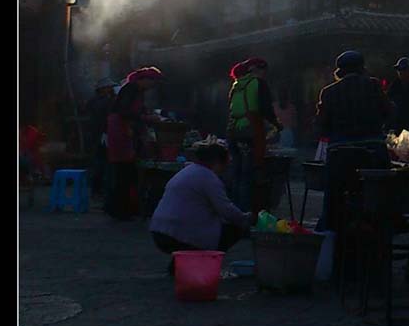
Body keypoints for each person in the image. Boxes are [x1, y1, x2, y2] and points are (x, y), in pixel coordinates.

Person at [315, 50, 393, 231]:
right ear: (362, 68)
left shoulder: (328, 92)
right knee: (384, 193)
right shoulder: (373, 85)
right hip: (373, 154)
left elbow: (320, 126)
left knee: (332, 197)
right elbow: (389, 112)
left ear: (339, 71)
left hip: (339, 155)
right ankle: (389, 222)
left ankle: (328, 227)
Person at [150, 141, 253, 275]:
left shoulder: (188, 171)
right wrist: (244, 218)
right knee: (234, 230)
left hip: (160, 230)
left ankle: (181, 264)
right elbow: (226, 210)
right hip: (177, 234)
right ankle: (199, 262)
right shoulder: (208, 178)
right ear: (217, 162)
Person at [105, 67, 163, 220]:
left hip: (127, 132)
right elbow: (125, 111)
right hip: (121, 131)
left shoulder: (138, 92)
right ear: (144, 79)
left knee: (127, 172)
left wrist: (146, 114)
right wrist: (146, 118)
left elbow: (138, 110)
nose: (152, 86)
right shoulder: (130, 89)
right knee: (123, 171)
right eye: (152, 82)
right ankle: (118, 210)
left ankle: (126, 208)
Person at [226, 57, 281, 212]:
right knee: (247, 177)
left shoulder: (237, 84)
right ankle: (245, 215)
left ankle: (231, 212)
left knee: (235, 175)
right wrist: (277, 124)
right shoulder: (258, 84)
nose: (265, 74)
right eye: (264, 70)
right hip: (250, 133)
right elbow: (266, 109)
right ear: (257, 69)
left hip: (233, 133)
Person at [87, 78, 116, 196]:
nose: (111, 89)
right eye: (108, 87)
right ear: (103, 89)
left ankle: (97, 188)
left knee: (100, 162)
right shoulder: (103, 102)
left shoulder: (94, 101)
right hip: (101, 134)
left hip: (97, 134)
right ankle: (98, 189)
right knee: (102, 163)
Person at [388, 57, 409, 134]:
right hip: (397, 123)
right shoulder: (395, 85)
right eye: (399, 69)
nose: (401, 72)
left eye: (404, 69)